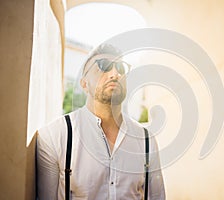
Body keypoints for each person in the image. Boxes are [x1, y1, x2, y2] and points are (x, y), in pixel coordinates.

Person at [36, 44, 166, 199]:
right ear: (84, 83)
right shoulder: (54, 136)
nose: (115, 73)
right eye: (103, 66)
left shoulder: (146, 140)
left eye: (121, 68)